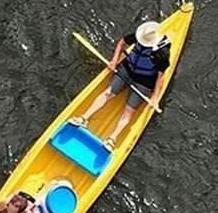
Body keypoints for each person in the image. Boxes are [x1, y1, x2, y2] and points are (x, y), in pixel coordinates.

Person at [69, 21, 171, 150]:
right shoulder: (140, 36)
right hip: (126, 71)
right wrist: (114, 60)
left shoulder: (162, 53)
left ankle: (112, 139)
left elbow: (160, 76)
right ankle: (83, 119)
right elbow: (122, 42)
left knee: (129, 110)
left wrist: (155, 98)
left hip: (144, 82)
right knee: (108, 93)